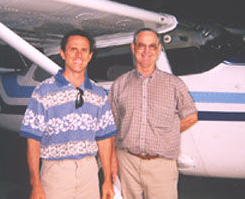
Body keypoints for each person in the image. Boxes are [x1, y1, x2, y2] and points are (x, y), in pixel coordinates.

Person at [19, 29, 116, 199]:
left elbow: (104, 139)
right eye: (73, 49)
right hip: (56, 173)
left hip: (89, 173)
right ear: (62, 54)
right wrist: (35, 183)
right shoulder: (43, 92)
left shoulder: (99, 94)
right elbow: (33, 141)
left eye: (84, 50)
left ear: (90, 55)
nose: (79, 55)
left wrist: (107, 180)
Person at [109, 28, 198, 199]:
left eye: (152, 46)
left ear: (158, 50)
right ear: (133, 48)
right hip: (127, 161)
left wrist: (167, 133)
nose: (146, 51)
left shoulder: (174, 84)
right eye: (141, 46)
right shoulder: (120, 84)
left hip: (161, 165)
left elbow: (191, 116)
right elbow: (112, 125)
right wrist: (112, 160)